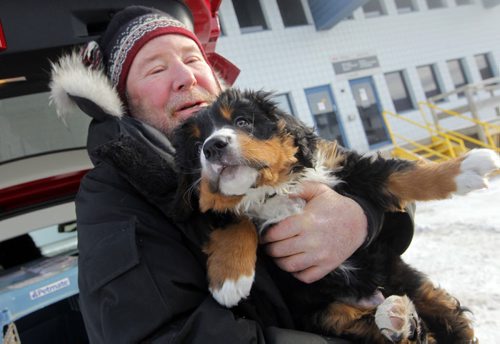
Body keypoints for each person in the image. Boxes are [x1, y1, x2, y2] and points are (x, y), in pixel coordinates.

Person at [50, 3, 414, 343]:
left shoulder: (264, 131)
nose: (184, 77)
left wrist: (360, 215)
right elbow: (161, 334)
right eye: (156, 69)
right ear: (123, 102)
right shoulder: (112, 195)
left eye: (193, 59)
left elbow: (386, 180)